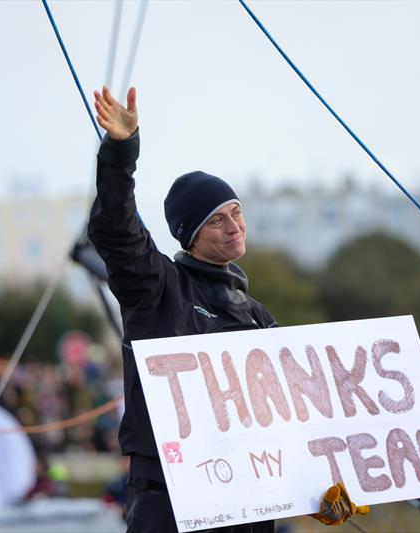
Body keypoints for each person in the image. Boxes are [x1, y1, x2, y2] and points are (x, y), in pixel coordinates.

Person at [88, 86, 278, 533]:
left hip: (249, 500)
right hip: (170, 501)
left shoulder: (258, 316)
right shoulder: (157, 288)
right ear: (188, 234)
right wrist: (121, 151)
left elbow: (291, 419)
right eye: (216, 219)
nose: (234, 227)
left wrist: (320, 489)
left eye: (236, 211)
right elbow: (117, 232)